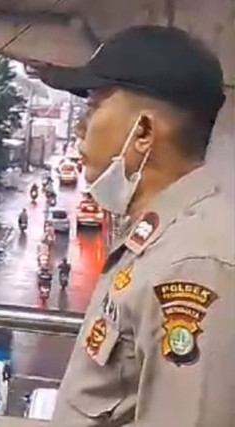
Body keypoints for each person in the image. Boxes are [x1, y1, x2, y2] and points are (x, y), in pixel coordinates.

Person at [37, 26, 233, 425]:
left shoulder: (194, 264)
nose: (80, 129)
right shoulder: (160, 236)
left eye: (93, 107)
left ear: (143, 132)